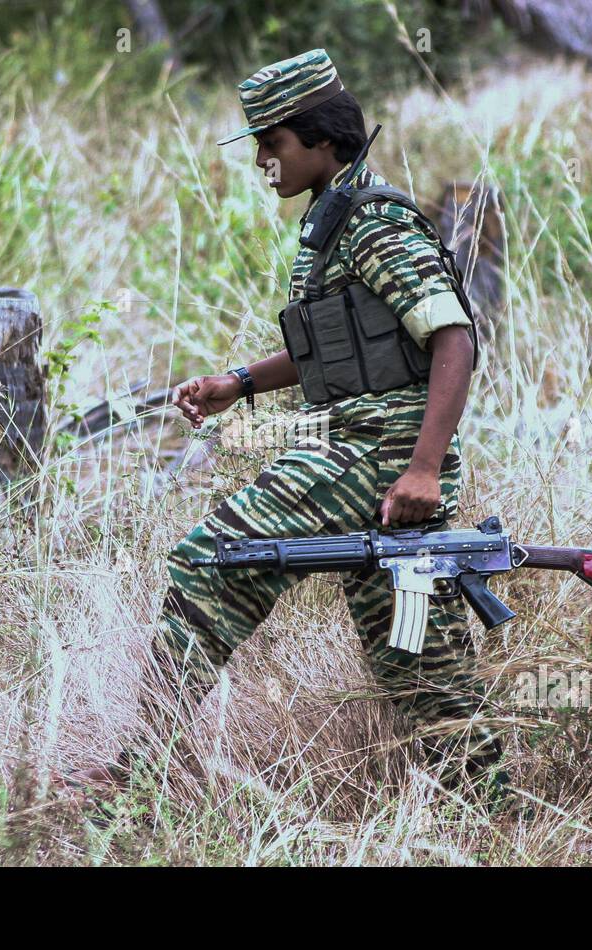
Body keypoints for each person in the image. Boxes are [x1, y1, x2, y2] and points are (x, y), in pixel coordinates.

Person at [62, 48, 505, 804]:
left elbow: (454, 338)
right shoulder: (334, 221)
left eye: (275, 142)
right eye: (260, 143)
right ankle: (496, 805)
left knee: (211, 561)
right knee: (417, 664)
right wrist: (238, 383)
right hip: (364, 446)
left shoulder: (375, 225)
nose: (263, 159)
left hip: (374, 452)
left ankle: (139, 770)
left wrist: (424, 468)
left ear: (325, 140)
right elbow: (337, 347)